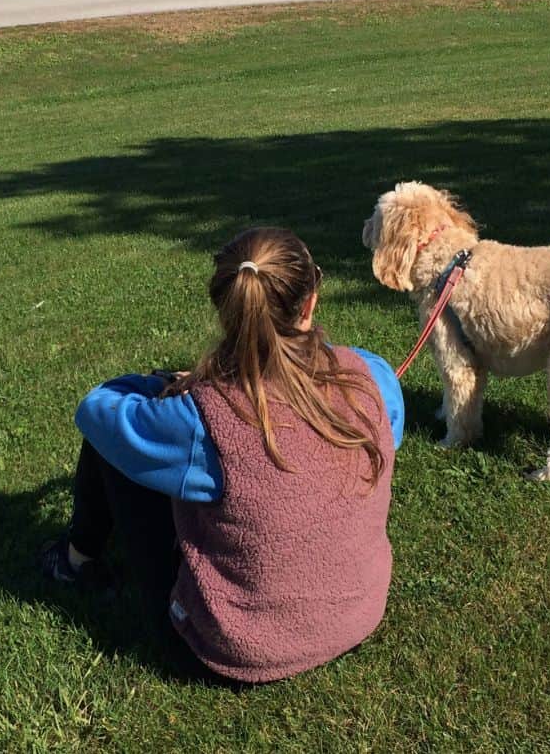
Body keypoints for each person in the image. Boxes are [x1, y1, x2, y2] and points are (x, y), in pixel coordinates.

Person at [38, 226, 405, 683]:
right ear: (309, 305)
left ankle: (77, 561)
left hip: (226, 653)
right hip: (358, 615)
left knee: (113, 442)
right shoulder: (371, 378)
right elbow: (382, 406)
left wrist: (162, 386)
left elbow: (97, 409)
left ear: (227, 310)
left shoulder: (202, 418)